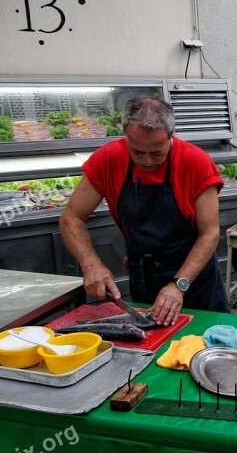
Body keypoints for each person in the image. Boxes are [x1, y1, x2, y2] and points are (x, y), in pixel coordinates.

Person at [60, 97, 228, 326]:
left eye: (157, 153)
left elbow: (209, 233)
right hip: (144, 277)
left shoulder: (196, 162)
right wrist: (91, 265)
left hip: (194, 281)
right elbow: (72, 217)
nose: (147, 161)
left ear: (171, 136)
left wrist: (179, 285)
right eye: (137, 152)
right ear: (125, 136)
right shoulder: (108, 158)